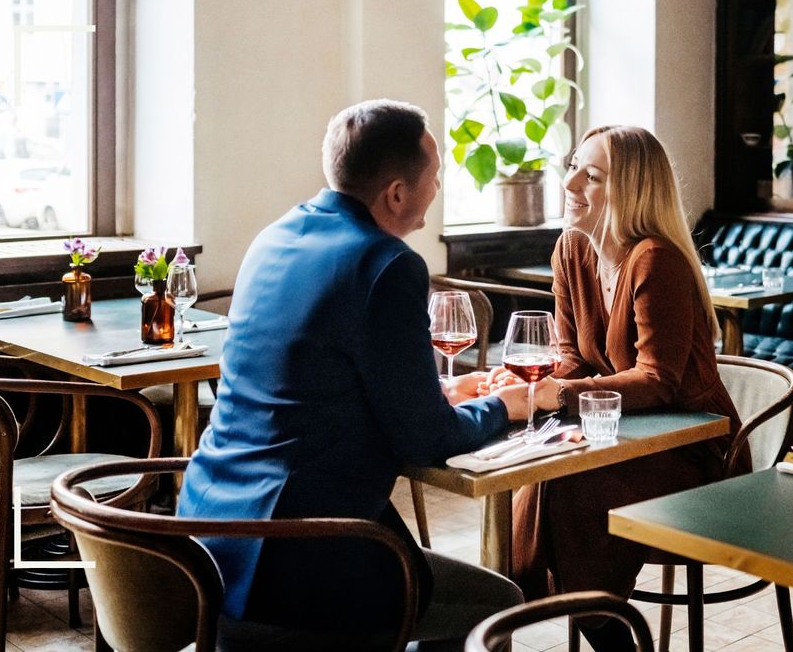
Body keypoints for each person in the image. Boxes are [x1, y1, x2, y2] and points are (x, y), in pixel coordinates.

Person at [177, 99, 550, 650]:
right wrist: (509, 406)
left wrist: (444, 389)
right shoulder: (389, 264)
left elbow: (313, 383)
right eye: (437, 175)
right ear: (396, 193)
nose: (440, 185)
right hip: (301, 558)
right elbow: (426, 440)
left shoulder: (274, 236)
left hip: (207, 537)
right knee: (497, 605)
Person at [500, 125, 744, 651]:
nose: (569, 185)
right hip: (617, 433)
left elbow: (658, 380)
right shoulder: (571, 249)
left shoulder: (656, 258)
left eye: (591, 177)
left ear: (631, 190)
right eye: (572, 167)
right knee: (533, 473)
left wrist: (558, 396)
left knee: (570, 487)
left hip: (693, 448)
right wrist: (532, 382)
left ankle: (605, 631)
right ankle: (556, 609)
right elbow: (568, 357)